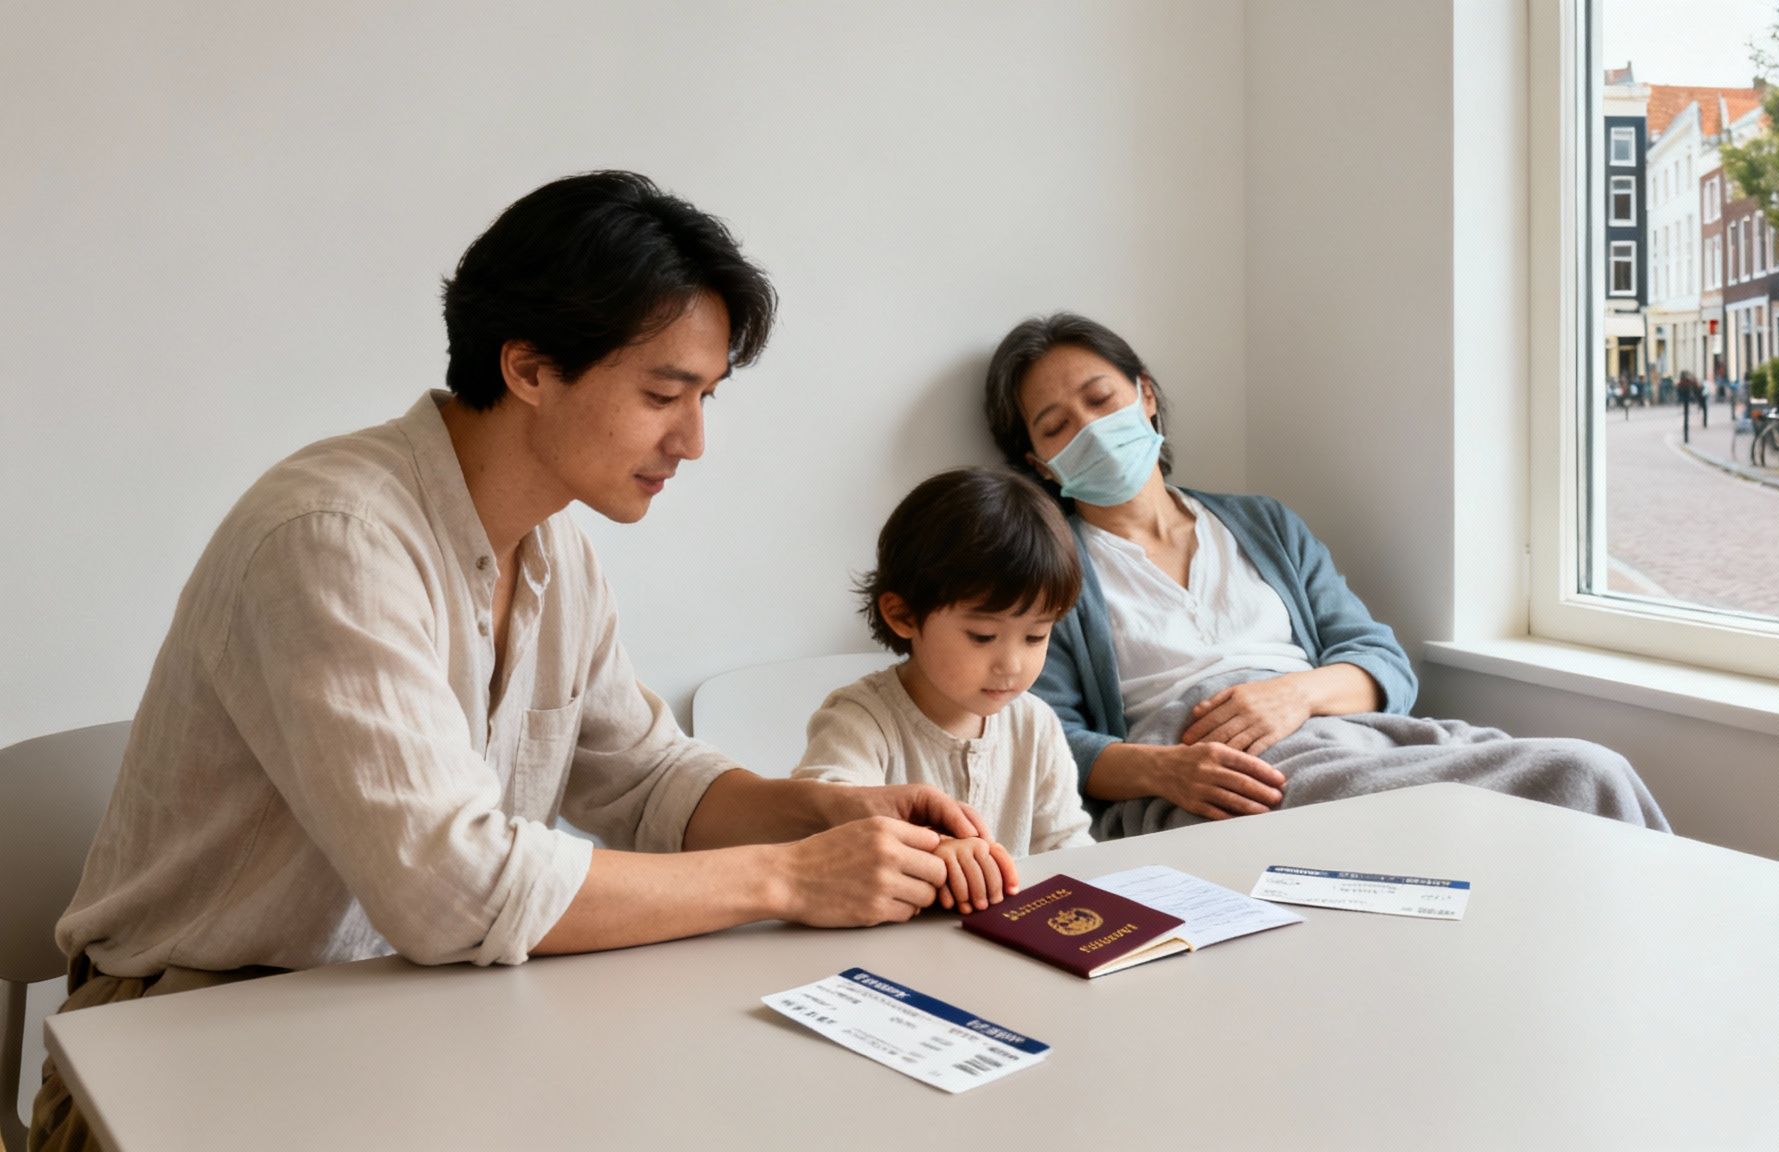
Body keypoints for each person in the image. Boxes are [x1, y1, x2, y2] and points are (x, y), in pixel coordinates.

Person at [30, 172, 998, 1152]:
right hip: (179, 1044)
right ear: (530, 367)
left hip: (405, 1019)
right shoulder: (332, 539)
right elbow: (453, 889)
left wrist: (823, 810)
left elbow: (646, 776)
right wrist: (791, 880)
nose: (694, 441)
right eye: (664, 393)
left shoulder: (554, 550)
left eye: (705, 396)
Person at [981, 312, 1669, 841]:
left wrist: (1294, 695)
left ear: (1147, 396)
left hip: (1345, 739)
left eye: (1103, 399)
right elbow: (1047, 737)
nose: (1092, 428)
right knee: (1516, 799)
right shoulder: (1050, 571)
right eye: (1056, 426)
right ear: (1041, 464)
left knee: (1592, 769)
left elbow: (1382, 664)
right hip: (1219, 779)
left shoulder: (1264, 524)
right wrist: (1169, 771)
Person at [792, 468, 1094, 912]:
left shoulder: (1035, 724)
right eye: (983, 637)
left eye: (1035, 637)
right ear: (903, 616)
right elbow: (823, 819)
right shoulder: (860, 718)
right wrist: (933, 854)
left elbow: (1070, 850)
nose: (1011, 665)